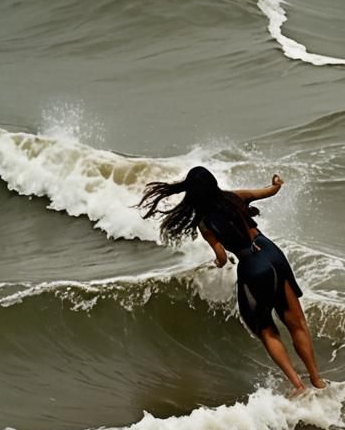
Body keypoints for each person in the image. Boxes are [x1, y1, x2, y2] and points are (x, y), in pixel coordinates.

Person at [139, 166, 326, 393]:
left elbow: (222, 257)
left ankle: (298, 386)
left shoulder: (204, 223)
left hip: (252, 266)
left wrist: (218, 263)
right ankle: (317, 380)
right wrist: (276, 182)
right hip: (273, 254)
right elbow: (271, 191)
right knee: (296, 323)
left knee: (266, 330)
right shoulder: (236, 197)